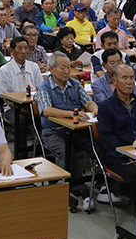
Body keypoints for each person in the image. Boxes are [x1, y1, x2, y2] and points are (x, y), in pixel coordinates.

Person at [96, 64, 136, 239]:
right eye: (124, 78)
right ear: (114, 81)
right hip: (118, 156)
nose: (129, 81)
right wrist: (129, 154)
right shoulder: (107, 106)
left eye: (132, 77)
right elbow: (107, 139)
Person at [38, 52, 98, 208]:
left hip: (77, 130)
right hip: (54, 132)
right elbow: (47, 110)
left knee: (96, 145)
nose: (66, 71)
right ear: (51, 69)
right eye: (62, 68)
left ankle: (104, 182)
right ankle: (82, 191)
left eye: (68, 67)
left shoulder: (75, 84)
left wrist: (94, 108)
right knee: (67, 151)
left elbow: (88, 101)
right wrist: (71, 114)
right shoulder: (44, 87)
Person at [0, 37, 44, 129]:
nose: (23, 51)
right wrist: (20, 110)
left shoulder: (34, 66)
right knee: (20, 120)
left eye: (26, 48)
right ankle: (21, 143)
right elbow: (3, 97)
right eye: (20, 48)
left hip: (33, 104)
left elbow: (41, 88)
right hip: (12, 107)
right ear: (12, 51)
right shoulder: (4, 70)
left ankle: (42, 141)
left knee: (46, 117)